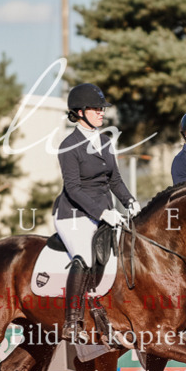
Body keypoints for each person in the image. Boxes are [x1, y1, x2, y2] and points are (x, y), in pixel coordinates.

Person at [53, 83, 139, 348]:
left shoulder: (104, 141)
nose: (102, 112)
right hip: (74, 215)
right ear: (79, 112)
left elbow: (115, 179)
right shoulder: (69, 146)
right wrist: (103, 212)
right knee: (84, 256)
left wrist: (130, 201)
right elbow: (73, 188)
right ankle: (72, 321)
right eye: (96, 108)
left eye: (102, 108)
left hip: (105, 213)